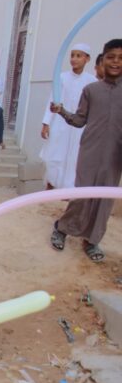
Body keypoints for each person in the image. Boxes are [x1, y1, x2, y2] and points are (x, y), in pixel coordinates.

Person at [50, 39, 122, 262]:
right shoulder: (91, 90)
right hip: (90, 151)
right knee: (82, 195)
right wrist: (61, 111)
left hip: (115, 155)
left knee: (104, 200)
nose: (116, 62)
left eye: (121, 58)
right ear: (102, 59)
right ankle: (62, 228)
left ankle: (92, 240)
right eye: (111, 57)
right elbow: (80, 120)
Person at [41, 43, 96, 189]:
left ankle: (69, 190)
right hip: (60, 123)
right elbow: (52, 100)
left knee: (73, 158)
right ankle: (51, 186)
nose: (74, 59)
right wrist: (46, 123)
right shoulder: (62, 77)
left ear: (87, 59)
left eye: (78, 56)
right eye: (72, 55)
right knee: (54, 156)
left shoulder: (91, 81)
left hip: (79, 126)